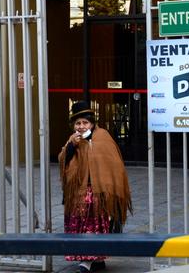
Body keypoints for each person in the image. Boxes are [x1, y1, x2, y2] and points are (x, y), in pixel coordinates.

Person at [58, 101, 132, 272]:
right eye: (78, 123)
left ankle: (89, 260)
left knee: (94, 225)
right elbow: (63, 162)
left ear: (92, 123)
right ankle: (95, 260)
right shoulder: (72, 140)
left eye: (85, 122)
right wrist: (71, 147)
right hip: (78, 194)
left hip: (97, 192)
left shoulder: (102, 136)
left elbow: (114, 164)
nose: (82, 126)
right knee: (79, 225)